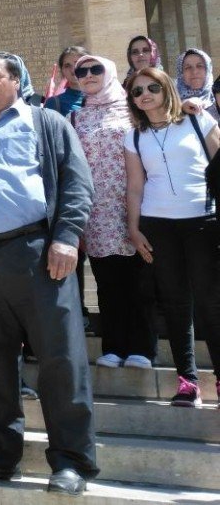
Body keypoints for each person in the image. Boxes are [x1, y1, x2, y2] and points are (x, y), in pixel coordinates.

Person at [0, 51, 96, 495]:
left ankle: (71, 461)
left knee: (59, 359)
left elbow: (76, 181)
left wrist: (66, 237)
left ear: (16, 81)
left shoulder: (45, 122)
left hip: (35, 254)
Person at [124, 67, 220, 409]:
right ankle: (187, 381)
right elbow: (135, 187)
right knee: (176, 304)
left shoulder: (198, 120)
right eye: (137, 91)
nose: (145, 94)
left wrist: (202, 111)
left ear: (166, 88)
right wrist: (134, 231)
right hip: (158, 225)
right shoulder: (134, 136)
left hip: (203, 221)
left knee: (211, 303)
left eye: (152, 87)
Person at [71, 55, 155, 370]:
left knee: (138, 280)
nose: (89, 75)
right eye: (82, 70)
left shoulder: (133, 110)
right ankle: (114, 346)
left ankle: (142, 348)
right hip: (97, 211)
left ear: (110, 73)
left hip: (136, 205)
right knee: (108, 282)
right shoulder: (77, 117)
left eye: (96, 69)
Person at [44, 46, 90, 117]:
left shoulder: (104, 98)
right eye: (67, 66)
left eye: (77, 63)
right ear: (62, 71)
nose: (73, 70)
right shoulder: (54, 103)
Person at [175, 48, 217, 122]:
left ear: (208, 70)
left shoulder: (217, 97)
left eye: (200, 66)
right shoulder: (172, 102)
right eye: (188, 68)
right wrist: (180, 106)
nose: (194, 72)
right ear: (181, 73)